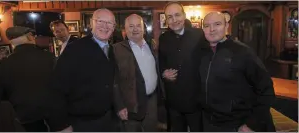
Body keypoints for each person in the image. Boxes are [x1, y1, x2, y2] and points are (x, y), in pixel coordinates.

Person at [194, 11, 276, 132]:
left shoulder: (243, 52)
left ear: (226, 26)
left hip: (238, 125)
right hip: (210, 122)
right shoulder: (201, 52)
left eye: (217, 24)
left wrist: (252, 123)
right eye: (207, 26)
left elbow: (266, 89)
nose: (212, 29)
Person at [47, 8, 117, 132]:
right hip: (81, 123)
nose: (105, 26)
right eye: (100, 21)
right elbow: (56, 89)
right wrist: (62, 125)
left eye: (109, 23)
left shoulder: (111, 50)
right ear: (91, 23)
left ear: (114, 27)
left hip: (106, 119)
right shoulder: (74, 49)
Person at [158, 1, 207, 132]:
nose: (174, 20)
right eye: (170, 17)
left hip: (195, 101)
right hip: (174, 101)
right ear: (166, 20)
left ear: (184, 15)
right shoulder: (163, 38)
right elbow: (161, 63)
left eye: (177, 15)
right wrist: (163, 73)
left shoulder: (199, 35)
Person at [0, 26, 55, 132]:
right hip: (52, 115)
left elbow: (1, 95)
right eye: (33, 36)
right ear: (29, 37)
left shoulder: (3, 65)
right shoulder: (48, 57)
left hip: (23, 119)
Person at [112, 14, 163, 132]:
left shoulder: (152, 45)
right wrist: (119, 106)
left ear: (143, 29)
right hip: (130, 105)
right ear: (125, 30)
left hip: (152, 101)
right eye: (131, 26)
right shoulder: (116, 49)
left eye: (138, 26)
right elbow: (113, 81)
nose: (135, 29)